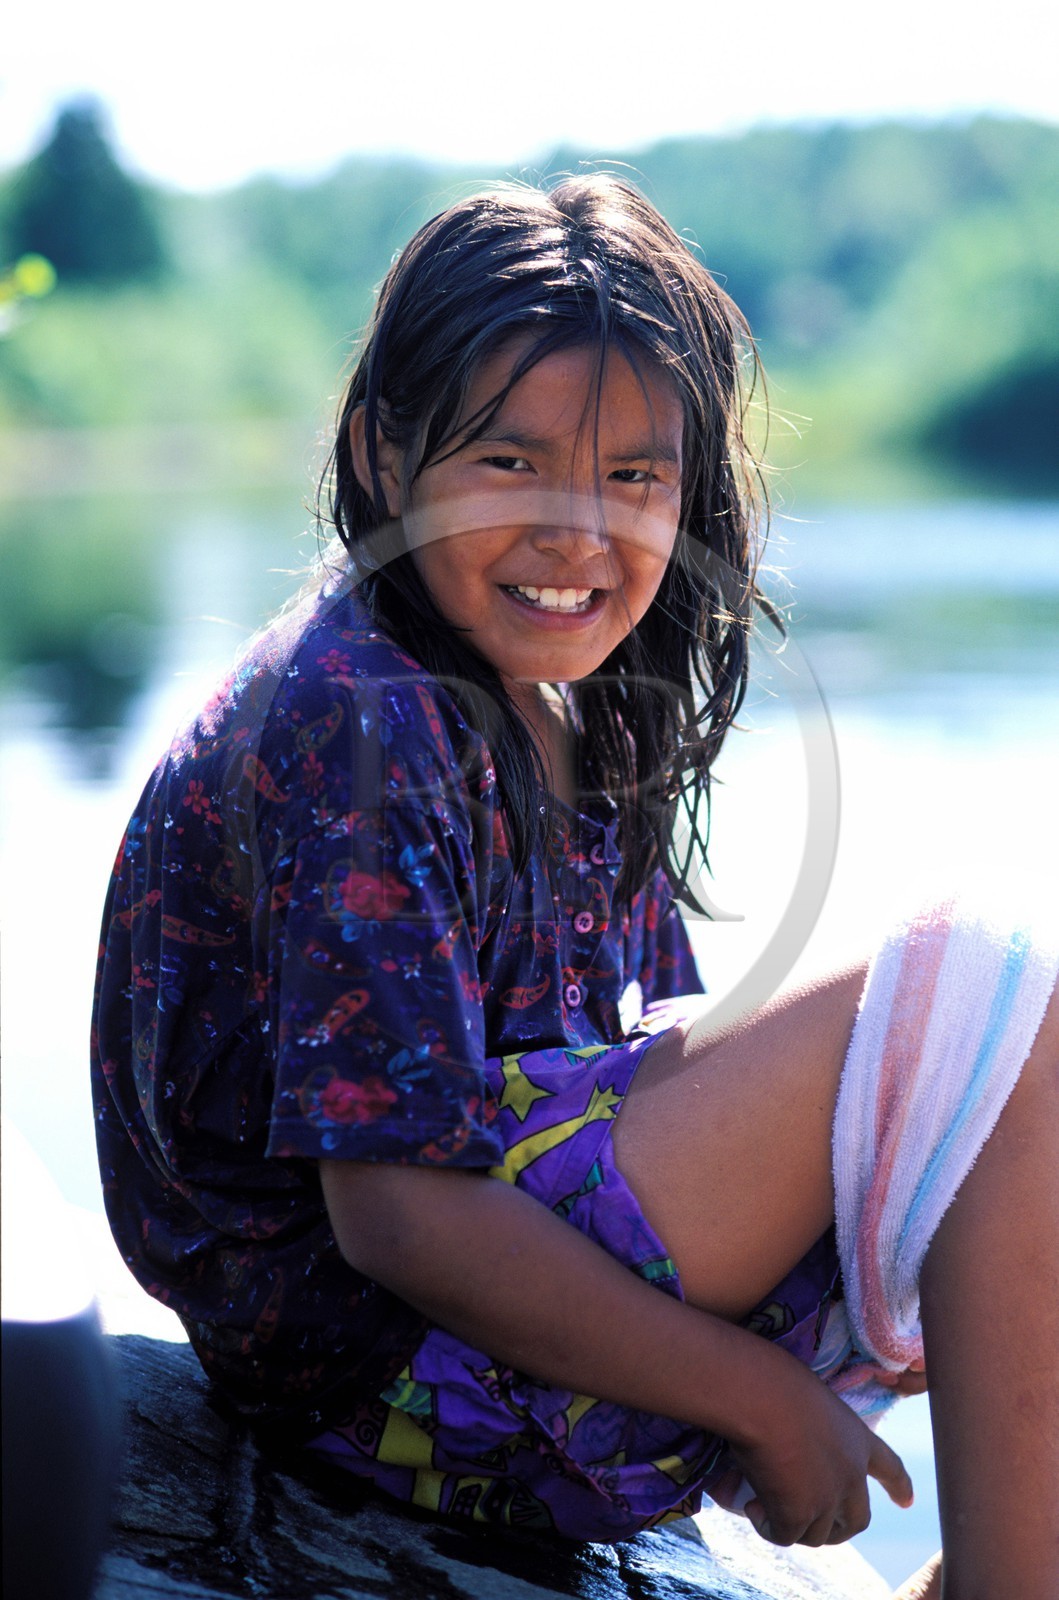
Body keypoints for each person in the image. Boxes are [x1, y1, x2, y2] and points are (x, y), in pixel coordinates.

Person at [92, 176, 1058, 1600]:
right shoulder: (362, 717)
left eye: (633, 479)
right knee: (984, 986)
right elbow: (397, 1218)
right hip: (384, 1371)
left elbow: (604, 1054)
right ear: (381, 461)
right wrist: (755, 1393)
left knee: (985, 1072)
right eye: (509, 464)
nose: (578, 535)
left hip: (454, 1335)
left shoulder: (567, 701)